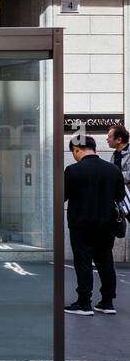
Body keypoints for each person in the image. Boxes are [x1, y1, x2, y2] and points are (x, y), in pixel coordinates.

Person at [64, 135, 126, 315]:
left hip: (81, 224)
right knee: (106, 261)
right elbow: (120, 196)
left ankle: (84, 303)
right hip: (107, 224)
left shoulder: (73, 170)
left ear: (76, 149)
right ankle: (107, 302)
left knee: (83, 261)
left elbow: (63, 196)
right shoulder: (113, 170)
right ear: (94, 148)